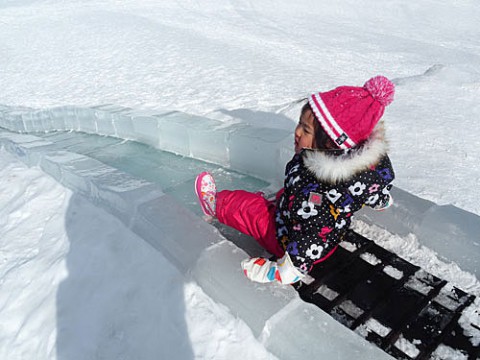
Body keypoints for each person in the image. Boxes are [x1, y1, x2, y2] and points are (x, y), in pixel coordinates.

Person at [194, 75, 396, 285]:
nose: (297, 132)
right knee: (292, 199)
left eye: (306, 130)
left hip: (293, 242)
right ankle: (283, 204)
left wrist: (282, 270)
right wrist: (381, 199)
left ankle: (215, 204)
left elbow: (311, 231)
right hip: (332, 236)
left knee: (249, 209)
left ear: (330, 144)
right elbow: (373, 187)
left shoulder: (312, 191)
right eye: (300, 123)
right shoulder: (364, 169)